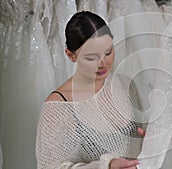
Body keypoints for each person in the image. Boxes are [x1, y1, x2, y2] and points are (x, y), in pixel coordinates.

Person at [36, 11, 145, 169]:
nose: (103, 63)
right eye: (91, 57)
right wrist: (106, 166)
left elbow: (141, 138)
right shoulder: (58, 106)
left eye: (108, 52)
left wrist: (151, 139)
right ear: (70, 55)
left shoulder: (124, 84)